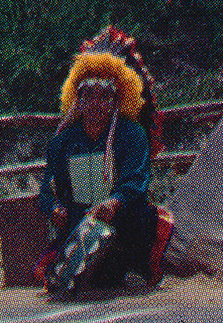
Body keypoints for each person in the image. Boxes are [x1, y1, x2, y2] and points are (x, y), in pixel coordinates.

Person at [37, 33, 171, 299]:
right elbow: (47, 190)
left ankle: (133, 266)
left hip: (122, 219)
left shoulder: (132, 135)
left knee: (142, 216)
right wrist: (55, 208)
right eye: (89, 96)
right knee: (82, 261)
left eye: (104, 97)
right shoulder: (63, 141)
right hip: (80, 220)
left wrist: (114, 203)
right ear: (78, 99)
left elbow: (136, 180)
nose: (96, 104)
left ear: (116, 101)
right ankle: (79, 265)